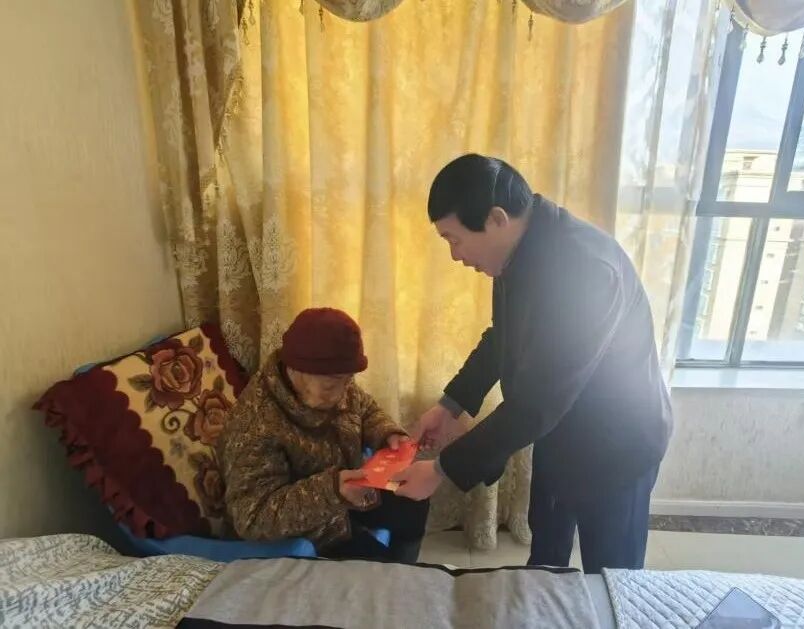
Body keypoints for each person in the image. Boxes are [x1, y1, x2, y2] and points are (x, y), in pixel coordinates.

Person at [394, 154, 673, 573]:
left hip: (618, 444)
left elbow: (538, 401)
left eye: (454, 239)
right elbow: (501, 338)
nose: (454, 255)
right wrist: (449, 405)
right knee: (546, 556)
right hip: (561, 431)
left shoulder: (586, 270)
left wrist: (440, 470)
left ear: (496, 219)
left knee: (612, 574)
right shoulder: (517, 253)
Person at [219, 307, 429, 563]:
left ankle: (405, 568)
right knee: (377, 573)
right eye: (331, 386)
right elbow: (252, 518)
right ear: (295, 370)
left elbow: (364, 408)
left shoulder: (333, 378)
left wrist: (388, 433)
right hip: (310, 528)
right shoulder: (256, 423)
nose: (342, 393)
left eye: (348, 380)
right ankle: (394, 575)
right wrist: (332, 492)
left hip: (348, 492)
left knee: (414, 498)